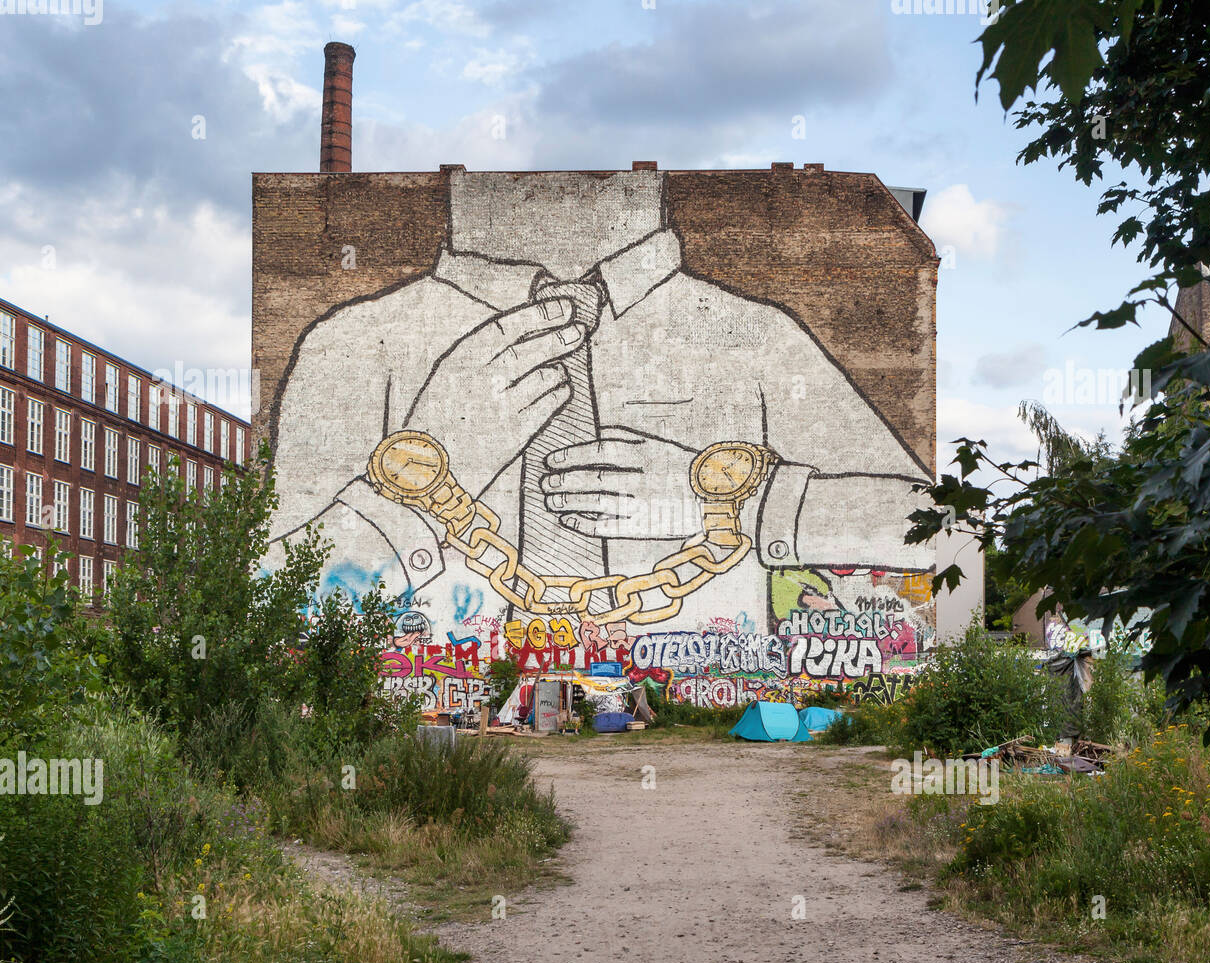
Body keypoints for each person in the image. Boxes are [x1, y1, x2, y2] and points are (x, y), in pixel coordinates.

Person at [265, 170, 932, 635]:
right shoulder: (352, 344)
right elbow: (271, 603)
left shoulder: (758, 338)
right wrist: (439, 473)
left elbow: (939, 533)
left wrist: (730, 501)